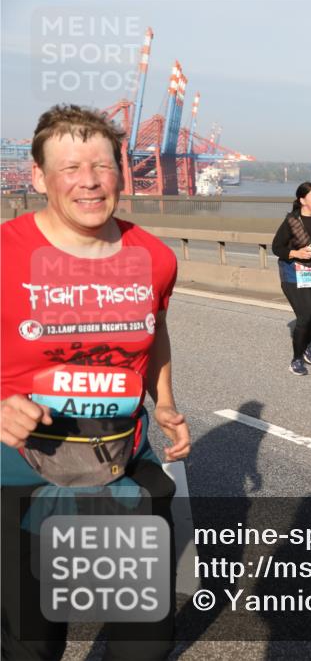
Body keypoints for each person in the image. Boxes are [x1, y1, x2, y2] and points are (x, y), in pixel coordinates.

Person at [1, 104, 191, 659]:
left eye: (102, 166)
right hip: (21, 476)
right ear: (38, 177)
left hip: (121, 472)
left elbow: (153, 332)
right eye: (70, 168)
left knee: (143, 648)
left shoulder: (152, 257)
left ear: (121, 172)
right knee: (32, 648)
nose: (89, 181)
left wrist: (165, 402)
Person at [271, 182, 311, 375]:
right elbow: (277, 248)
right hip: (293, 271)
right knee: (306, 316)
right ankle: (296, 359)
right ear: (302, 200)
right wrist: (296, 253)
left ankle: (305, 343)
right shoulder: (291, 221)